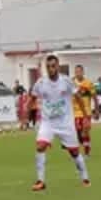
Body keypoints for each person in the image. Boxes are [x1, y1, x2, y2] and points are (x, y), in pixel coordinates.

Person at [29, 55, 90, 191]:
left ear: (58, 66)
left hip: (65, 123)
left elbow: (78, 97)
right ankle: (40, 181)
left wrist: (85, 116)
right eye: (48, 66)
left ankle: (85, 177)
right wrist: (27, 116)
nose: (51, 69)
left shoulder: (66, 81)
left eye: (53, 66)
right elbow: (32, 98)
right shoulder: (40, 83)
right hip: (48, 123)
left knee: (74, 152)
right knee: (40, 147)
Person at [72, 65, 96, 157]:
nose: (78, 73)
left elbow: (94, 97)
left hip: (87, 112)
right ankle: (86, 144)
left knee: (85, 131)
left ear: (83, 72)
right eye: (76, 72)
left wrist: (96, 110)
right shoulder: (72, 83)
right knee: (79, 134)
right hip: (75, 112)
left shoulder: (88, 83)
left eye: (79, 71)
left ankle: (87, 152)